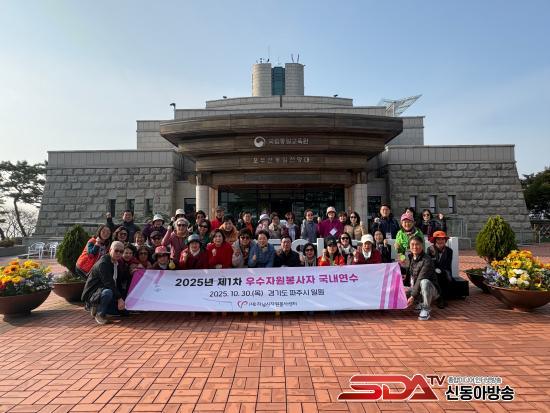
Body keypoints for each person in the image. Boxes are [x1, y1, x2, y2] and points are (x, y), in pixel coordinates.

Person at [81, 241, 126, 325]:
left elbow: (118, 282)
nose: (119, 253)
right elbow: (109, 283)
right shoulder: (103, 263)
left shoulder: (117, 263)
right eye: (116, 250)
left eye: (121, 251)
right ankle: (99, 313)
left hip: (105, 292)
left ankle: (99, 308)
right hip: (94, 294)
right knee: (107, 292)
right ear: (110, 250)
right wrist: (119, 299)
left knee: (124, 312)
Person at [405, 235, 441, 321]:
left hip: (431, 290)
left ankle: (426, 308)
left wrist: (412, 296)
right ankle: (421, 302)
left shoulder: (427, 260)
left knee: (424, 282)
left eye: (417, 244)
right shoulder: (411, 257)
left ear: (422, 245)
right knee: (401, 291)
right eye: (412, 244)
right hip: (418, 288)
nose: (415, 247)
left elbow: (421, 278)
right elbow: (410, 277)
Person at [427, 231, 453, 309]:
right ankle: (440, 299)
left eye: (442, 239)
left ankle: (442, 298)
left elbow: (447, 264)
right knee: (437, 276)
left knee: (444, 276)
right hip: (433, 271)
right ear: (435, 241)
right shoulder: (430, 249)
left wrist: (441, 270)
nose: (440, 241)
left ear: (445, 240)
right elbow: (429, 263)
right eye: (438, 239)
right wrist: (436, 269)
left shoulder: (449, 251)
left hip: (445, 270)